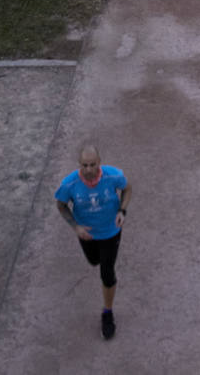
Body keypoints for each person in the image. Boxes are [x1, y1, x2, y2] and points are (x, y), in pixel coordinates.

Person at [55, 143, 132, 341]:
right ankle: (96, 258)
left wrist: (122, 211)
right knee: (93, 260)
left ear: (100, 162)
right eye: (84, 165)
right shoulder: (69, 185)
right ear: (79, 164)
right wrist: (76, 227)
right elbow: (61, 206)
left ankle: (107, 313)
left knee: (107, 272)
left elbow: (127, 188)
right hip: (87, 235)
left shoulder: (113, 175)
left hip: (110, 232)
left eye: (92, 164)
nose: (89, 170)